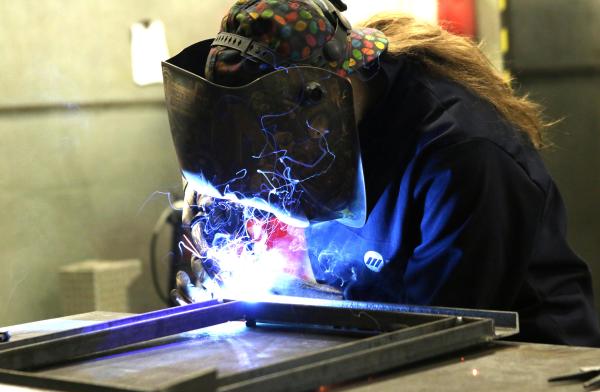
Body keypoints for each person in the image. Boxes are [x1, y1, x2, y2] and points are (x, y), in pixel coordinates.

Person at [165, 0, 600, 346]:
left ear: (325, 92)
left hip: (529, 368)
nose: (271, 151)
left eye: (278, 129)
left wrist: (288, 310)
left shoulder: (464, 158)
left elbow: (442, 335)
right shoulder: (317, 138)